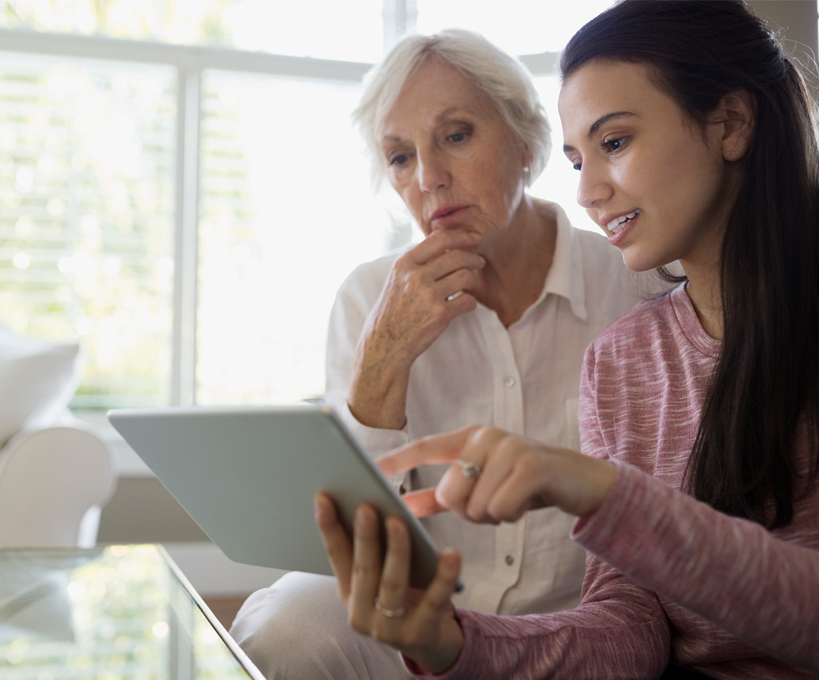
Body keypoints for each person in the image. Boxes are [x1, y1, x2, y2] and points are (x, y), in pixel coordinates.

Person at [315, 1, 819, 678]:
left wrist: (602, 492)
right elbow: (630, 628)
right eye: (580, 158)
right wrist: (454, 646)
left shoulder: (614, 295)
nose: (588, 192)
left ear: (731, 123)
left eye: (615, 143)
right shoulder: (624, 358)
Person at [230, 28, 655, 680]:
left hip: (576, 627)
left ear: (527, 143)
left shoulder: (631, 282)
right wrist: (381, 363)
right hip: (414, 623)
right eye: (400, 157)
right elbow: (341, 541)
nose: (429, 178)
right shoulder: (369, 297)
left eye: (456, 136)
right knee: (282, 623)